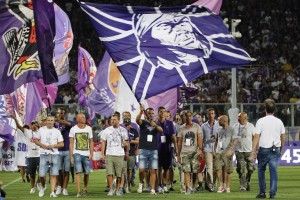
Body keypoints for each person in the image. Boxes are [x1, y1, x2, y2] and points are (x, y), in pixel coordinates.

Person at [252, 99, 285, 199]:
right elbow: (283, 137)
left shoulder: (260, 121)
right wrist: (281, 149)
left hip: (263, 149)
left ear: (265, 109)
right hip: (275, 149)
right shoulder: (279, 121)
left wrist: (253, 149)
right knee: (273, 171)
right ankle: (272, 194)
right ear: (274, 109)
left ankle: (262, 193)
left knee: (261, 170)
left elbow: (256, 136)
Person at [34, 115, 64, 198]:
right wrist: (43, 145)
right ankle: (42, 188)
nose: (50, 122)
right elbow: (35, 140)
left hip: (54, 155)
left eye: (52, 120)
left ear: (54, 122)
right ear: (46, 121)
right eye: (49, 120)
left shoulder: (57, 131)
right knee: (41, 174)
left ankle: (52, 192)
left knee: (54, 174)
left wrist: (52, 146)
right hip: (44, 154)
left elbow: (62, 144)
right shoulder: (41, 130)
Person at [10, 115, 41, 194]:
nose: (33, 126)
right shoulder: (27, 132)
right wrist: (15, 119)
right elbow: (19, 126)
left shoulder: (41, 132)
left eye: (35, 124)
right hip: (30, 155)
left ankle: (38, 183)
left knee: (42, 173)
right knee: (32, 174)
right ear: (30, 125)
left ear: (37, 125)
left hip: (40, 154)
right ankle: (32, 187)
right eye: (32, 124)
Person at [136, 106, 163, 195]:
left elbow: (161, 130)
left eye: (152, 113)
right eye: (149, 113)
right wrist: (140, 112)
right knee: (142, 170)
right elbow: (137, 120)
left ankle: (152, 189)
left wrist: (154, 124)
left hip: (153, 150)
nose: (150, 114)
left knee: (153, 170)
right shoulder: (143, 123)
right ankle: (141, 183)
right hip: (143, 149)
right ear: (146, 114)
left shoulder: (156, 123)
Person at [101, 113, 129, 196]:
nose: (112, 121)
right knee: (109, 173)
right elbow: (103, 142)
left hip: (120, 154)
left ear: (118, 120)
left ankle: (117, 189)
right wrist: (103, 154)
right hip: (109, 154)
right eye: (111, 120)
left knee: (119, 174)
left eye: (114, 119)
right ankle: (111, 189)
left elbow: (127, 142)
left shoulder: (123, 130)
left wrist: (126, 147)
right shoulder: (107, 130)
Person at [177, 111, 203, 194]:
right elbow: (179, 142)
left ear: (192, 117)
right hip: (185, 152)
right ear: (184, 117)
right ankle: (188, 188)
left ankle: (193, 185)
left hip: (195, 152)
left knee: (195, 170)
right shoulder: (181, 128)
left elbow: (199, 139)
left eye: (190, 116)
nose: (188, 118)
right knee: (186, 170)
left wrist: (200, 149)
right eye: (186, 116)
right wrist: (178, 154)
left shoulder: (197, 126)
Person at [69, 113, 94, 197]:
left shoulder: (89, 128)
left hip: (86, 153)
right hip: (77, 153)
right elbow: (71, 143)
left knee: (87, 172)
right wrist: (71, 155)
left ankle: (85, 189)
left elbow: (91, 141)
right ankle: (79, 191)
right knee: (78, 172)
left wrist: (91, 153)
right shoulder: (73, 129)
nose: (84, 118)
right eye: (82, 117)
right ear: (78, 119)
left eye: (84, 117)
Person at [214, 115, 237, 193]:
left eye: (219, 120)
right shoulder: (218, 129)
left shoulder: (232, 129)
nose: (218, 122)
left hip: (227, 153)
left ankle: (227, 186)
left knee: (228, 170)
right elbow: (216, 140)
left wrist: (231, 150)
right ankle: (220, 186)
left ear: (224, 121)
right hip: (218, 152)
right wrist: (214, 150)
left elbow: (234, 141)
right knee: (218, 169)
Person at [233, 112, 255, 191]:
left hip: (249, 151)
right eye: (238, 117)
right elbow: (233, 139)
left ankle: (248, 180)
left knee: (251, 168)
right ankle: (243, 185)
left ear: (245, 118)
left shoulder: (251, 126)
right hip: (239, 151)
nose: (238, 118)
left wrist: (255, 149)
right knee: (241, 169)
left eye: (240, 117)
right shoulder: (235, 126)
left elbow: (255, 137)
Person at [156, 107, 176, 193]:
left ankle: (164, 185)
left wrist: (175, 147)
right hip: (158, 149)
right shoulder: (155, 124)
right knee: (159, 168)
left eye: (163, 112)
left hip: (167, 148)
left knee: (166, 168)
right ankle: (159, 185)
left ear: (165, 113)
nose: (162, 113)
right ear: (158, 113)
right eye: (160, 112)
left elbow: (173, 136)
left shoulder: (170, 123)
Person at [54, 108, 72, 196]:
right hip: (57, 150)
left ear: (64, 114)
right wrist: (55, 121)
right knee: (58, 171)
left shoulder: (67, 123)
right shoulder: (54, 124)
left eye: (61, 113)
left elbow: (68, 124)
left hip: (67, 150)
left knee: (67, 171)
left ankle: (65, 188)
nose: (59, 114)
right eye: (58, 113)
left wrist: (59, 120)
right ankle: (59, 187)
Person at [201, 108, 219, 192]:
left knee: (215, 168)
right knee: (209, 167)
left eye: (212, 113)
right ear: (207, 115)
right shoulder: (203, 126)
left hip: (216, 149)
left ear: (214, 114)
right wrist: (201, 150)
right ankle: (211, 185)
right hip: (207, 149)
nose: (211, 115)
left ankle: (209, 183)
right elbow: (201, 139)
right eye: (209, 114)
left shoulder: (219, 125)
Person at [121, 114, 139, 193]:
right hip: (121, 153)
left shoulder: (134, 130)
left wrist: (130, 141)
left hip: (131, 152)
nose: (127, 126)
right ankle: (122, 186)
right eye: (126, 124)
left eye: (128, 124)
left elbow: (138, 140)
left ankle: (128, 186)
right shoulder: (120, 130)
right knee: (123, 171)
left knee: (130, 170)